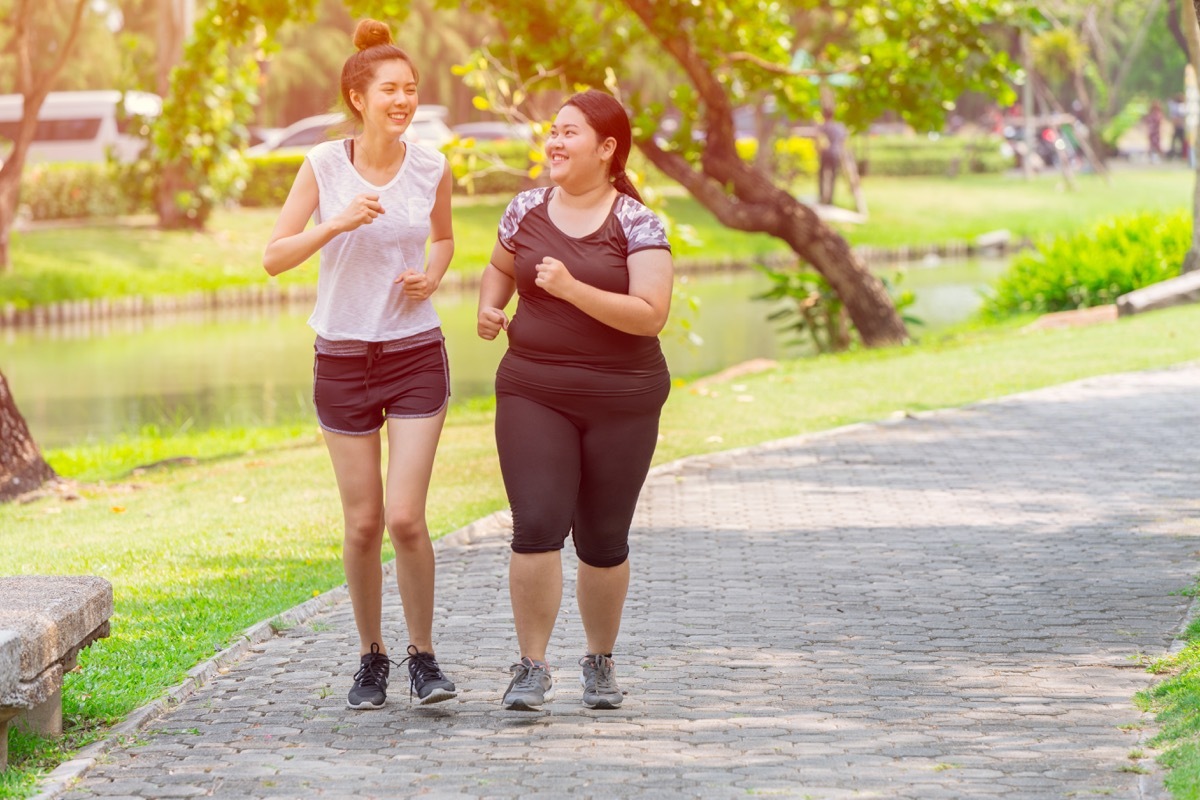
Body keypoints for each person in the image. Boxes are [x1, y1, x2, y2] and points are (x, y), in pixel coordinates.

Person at [262, 18, 457, 709]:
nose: (402, 100)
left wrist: (431, 277)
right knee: (364, 522)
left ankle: (424, 657)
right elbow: (274, 256)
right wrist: (337, 222)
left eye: (410, 89)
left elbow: (442, 239)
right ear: (358, 96)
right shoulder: (322, 166)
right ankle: (370, 656)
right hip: (342, 356)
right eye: (390, 90)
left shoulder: (432, 165)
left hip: (413, 354)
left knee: (405, 516)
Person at [476, 89, 673, 712]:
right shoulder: (525, 208)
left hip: (624, 398)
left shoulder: (640, 223)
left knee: (603, 539)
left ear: (607, 148)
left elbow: (650, 315)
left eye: (569, 133)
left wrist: (570, 286)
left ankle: (599, 661)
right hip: (534, 389)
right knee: (535, 525)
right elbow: (499, 266)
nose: (554, 143)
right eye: (552, 131)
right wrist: (491, 305)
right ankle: (531, 667)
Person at [817, 103, 848, 206]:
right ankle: (830, 199)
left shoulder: (822, 127)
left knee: (822, 176)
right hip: (835, 153)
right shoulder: (839, 127)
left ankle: (822, 197)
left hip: (825, 154)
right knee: (833, 177)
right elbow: (843, 139)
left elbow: (818, 140)